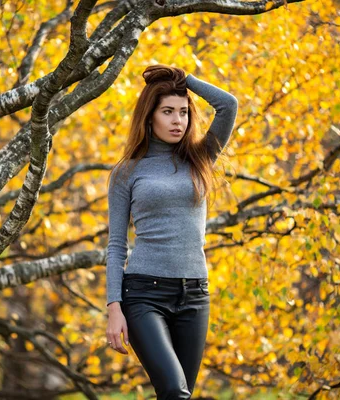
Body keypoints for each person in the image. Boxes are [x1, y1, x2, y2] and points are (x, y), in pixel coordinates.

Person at [105, 64, 238, 399]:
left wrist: (184, 80)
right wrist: (113, 307)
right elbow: (117, 245)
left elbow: (228, 105)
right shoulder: (126, 172)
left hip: (195, 294)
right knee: (174, 391)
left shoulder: (201, 158)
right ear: (149, 116)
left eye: (183, 112)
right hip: (143, 295)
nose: (178, 121)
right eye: (168, 112)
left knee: (179, 395)